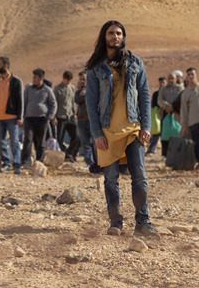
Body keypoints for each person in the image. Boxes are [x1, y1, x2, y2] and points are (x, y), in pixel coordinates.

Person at [85, 20, 157, 237]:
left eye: (118, 33)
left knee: (140, 176)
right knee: (110, 179)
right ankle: (115, 222)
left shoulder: (136, 62)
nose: (114, 37)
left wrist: (146, 125)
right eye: (110, 33)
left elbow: (144, 94)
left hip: (133, 129)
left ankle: (143, 221)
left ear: (123, 37)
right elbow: (91, 102)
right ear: (104, 37)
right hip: (107, 131)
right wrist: (97, 133)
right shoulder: (95, 68)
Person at [0, 56, 23, 173]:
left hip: (12, 117)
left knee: (14, 141)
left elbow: (20, 100)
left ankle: (17, 164)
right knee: (1, 142)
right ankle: (6, 163)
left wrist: (20, 117)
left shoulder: (16, 81)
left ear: (6, 66)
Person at [21, 68, 56, 170]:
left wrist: (49, 116)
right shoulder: (28, 89)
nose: (33, 79)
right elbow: (24, 103)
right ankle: (25, 161)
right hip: (29, 119)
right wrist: (22, 117)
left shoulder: (47, 90)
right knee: (28, 139)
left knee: (40, 142)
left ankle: (40, 161)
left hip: (42, 119)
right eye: (33, 77)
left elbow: (53, 104)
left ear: (41, 79)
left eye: (35, 77)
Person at [74, 71, 97, 169]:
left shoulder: (93, 89)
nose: (82, 81)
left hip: (92, 120)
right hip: (81, 119)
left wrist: (85, 94)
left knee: (95, 142)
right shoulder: (78, 91)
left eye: (84, 79)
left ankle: (98, 162)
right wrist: (82, 94)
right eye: (81, 79)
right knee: (85, 142)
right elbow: (77, 100)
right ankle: (89, 162)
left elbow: (93, 99)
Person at [157, 71, 183, 157]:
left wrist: (174, 107)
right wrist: (167, 106)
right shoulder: (163, 89)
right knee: (165, 135)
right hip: (165, 113)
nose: (171, 80)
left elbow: (181, 99)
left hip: (177, 113)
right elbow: (160, 100)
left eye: (173, 78)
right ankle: (165, 154)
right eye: (169, 78)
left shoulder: (179, 89)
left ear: (176, 79)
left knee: (178, 133)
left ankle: (178, 154)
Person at [53, 71, 77, 156]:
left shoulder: (72, 88)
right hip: (60, 117)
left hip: (70, 117)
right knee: (59, 138)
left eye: (70, 81)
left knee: (77, 136)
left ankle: (68, 153)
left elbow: (73, 101)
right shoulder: (57, 89)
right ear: (63, 79)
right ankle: (60, 155)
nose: (68, 82)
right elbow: (54, 103)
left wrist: (75, 113)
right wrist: (54, 117)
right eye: (67, 80)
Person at [147, 76, 166, 155]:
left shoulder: (167, 93)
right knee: (157, 133)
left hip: (166, 116)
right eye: (161, 82)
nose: (162, 84)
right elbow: (154, 104)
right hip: (158, 116)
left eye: (163, 82)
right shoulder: (156, 94)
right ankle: (151, 149)